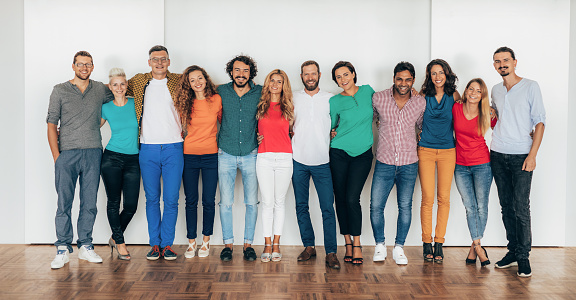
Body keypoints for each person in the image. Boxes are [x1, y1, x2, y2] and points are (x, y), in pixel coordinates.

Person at [47, 51, 113, 269]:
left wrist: (96, 124)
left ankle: (85, 246)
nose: (84, 68)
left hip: (94, 152)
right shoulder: (60, 90)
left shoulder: (101, 89)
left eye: (88, 64)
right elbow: (51, 124)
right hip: (67, 154)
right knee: (64, 203)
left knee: (89, 202)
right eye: (80, 64)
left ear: (93, 67)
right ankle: (63, 248)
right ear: (73, 66)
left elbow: (115, 105)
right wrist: (57, 157)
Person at [490, 47, 545, 278]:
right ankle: (512, 251)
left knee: (521, 207)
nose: (502, 64)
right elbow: (499, 119)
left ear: (514, 62)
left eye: (505, 60)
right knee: (506, 206)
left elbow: (540, 122)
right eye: (497, 61)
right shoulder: (495, 90)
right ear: (494, 65)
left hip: (522, 155)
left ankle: (523, 256)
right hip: (497, 153)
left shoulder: (531, 86)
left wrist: (532, 155)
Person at [126, 45, 183, 261]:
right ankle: (155, 245)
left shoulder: (179, 81)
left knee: (171, 200)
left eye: (163, 59)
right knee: (152, 199)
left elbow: (203, 84)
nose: (159, 63)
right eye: (155, 59)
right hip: (147, 147)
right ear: (149, 62)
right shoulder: (139, 81)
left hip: (174, 146)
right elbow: (115, 87)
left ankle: (167, 244)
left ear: (169, 61)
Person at [370, 62, 425, 265]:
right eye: (400, 79)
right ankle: (380, 245)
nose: (403, 83)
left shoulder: (420, 102)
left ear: (413, 80)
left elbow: (423, 127)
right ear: (393, 78)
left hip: (409, 162)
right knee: (376, 206)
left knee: (405, 206)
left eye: (408, 79)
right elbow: (367, 119)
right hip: (384, 161)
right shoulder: (378, 98)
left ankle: (399, 247)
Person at [292, 60, 340, 269]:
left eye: (313, 73)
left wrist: (334, 132)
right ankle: (309, 246)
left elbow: (339, 122)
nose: (310, 77)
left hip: (323, 161)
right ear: (301, 76)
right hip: (298, 160)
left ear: (319, 74)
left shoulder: (331, 99)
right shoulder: (293, 97)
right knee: (301, 206)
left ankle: (331, 252)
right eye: (306, 74)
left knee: (327, 208)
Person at [217, 55, 262, 261]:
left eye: (245, 70)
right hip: (225, 152)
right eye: (237, 70)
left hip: (251, 152)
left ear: (250, 72)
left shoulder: (260, 92)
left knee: (251, 202)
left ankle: (248, 245)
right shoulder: (221, 91)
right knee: (225, 202)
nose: (241, 74)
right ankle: (228, 245)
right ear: (231, 72)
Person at [329, 61, 374, 265]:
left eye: (346, 74)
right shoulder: (335, 101)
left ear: (354, 74)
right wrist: (331, 132)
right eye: (338, 77)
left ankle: (357, 243)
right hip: (339, 151)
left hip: (363, 154)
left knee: (351, 198)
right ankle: (347, 242)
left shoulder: (368, 91)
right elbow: (330, 126)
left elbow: (390, 99)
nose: (343, 80)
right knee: (340, 198)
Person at [174, 65, 222, 258]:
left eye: (200, 78)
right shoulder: (184, 103)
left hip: (211, 155)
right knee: (191, 201)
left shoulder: (216, 100)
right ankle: (191, 242)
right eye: (192, 80)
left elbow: (223, 123)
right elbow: (178, 128)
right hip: (189, 156)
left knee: (209, 200)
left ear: (206, 79)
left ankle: (206, 241)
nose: (197, 82)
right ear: (188, 84)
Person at [418, 59, 461, 263]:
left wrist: (490, 110)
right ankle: (426, 242)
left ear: (447, 74)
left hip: (447, 151)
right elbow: (412, 118)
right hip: (425, 150)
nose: (437, 77)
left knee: (444, 198)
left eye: (441, 72)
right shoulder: (422, 96)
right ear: (429, 75)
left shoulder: (454, 96)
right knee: (427, 198)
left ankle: (439, 243)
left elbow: (467, 114)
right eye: (433, 73)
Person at [453, 78, 497, 267]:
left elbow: (503, 130)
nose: (473, 93)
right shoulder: (456, 108)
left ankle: (475, 246)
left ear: (482, 95)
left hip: (482, 164)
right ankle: (478, 247)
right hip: (460, 165)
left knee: (481, 207)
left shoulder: (488, 113)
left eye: (478, 91)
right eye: (471, 89)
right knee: (470, 206)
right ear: (466, 91)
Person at [100, 68, 140, 261]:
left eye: (122, 84)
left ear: (126, 86)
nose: (119, 87)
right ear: (110, 87)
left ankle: (115, 237)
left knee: (131, 205)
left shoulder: (136, 104)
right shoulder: (105, 107)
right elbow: (91, 127)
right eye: (115, 84)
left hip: (134, 159)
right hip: (112, 158)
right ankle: (121, 242)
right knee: (114, 202)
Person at [255, 69, 294, 263]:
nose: (275, 84)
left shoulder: (290, 107)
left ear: (283, 84)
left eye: (279, 81)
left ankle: (277, 244)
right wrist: (256, 136)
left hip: (285, 158)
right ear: (267, 83)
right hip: (264, 157)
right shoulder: (260, 105)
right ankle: (267, 244)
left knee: (279, 202)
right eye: (272, 81)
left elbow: (297, 131)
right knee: (267, 202)